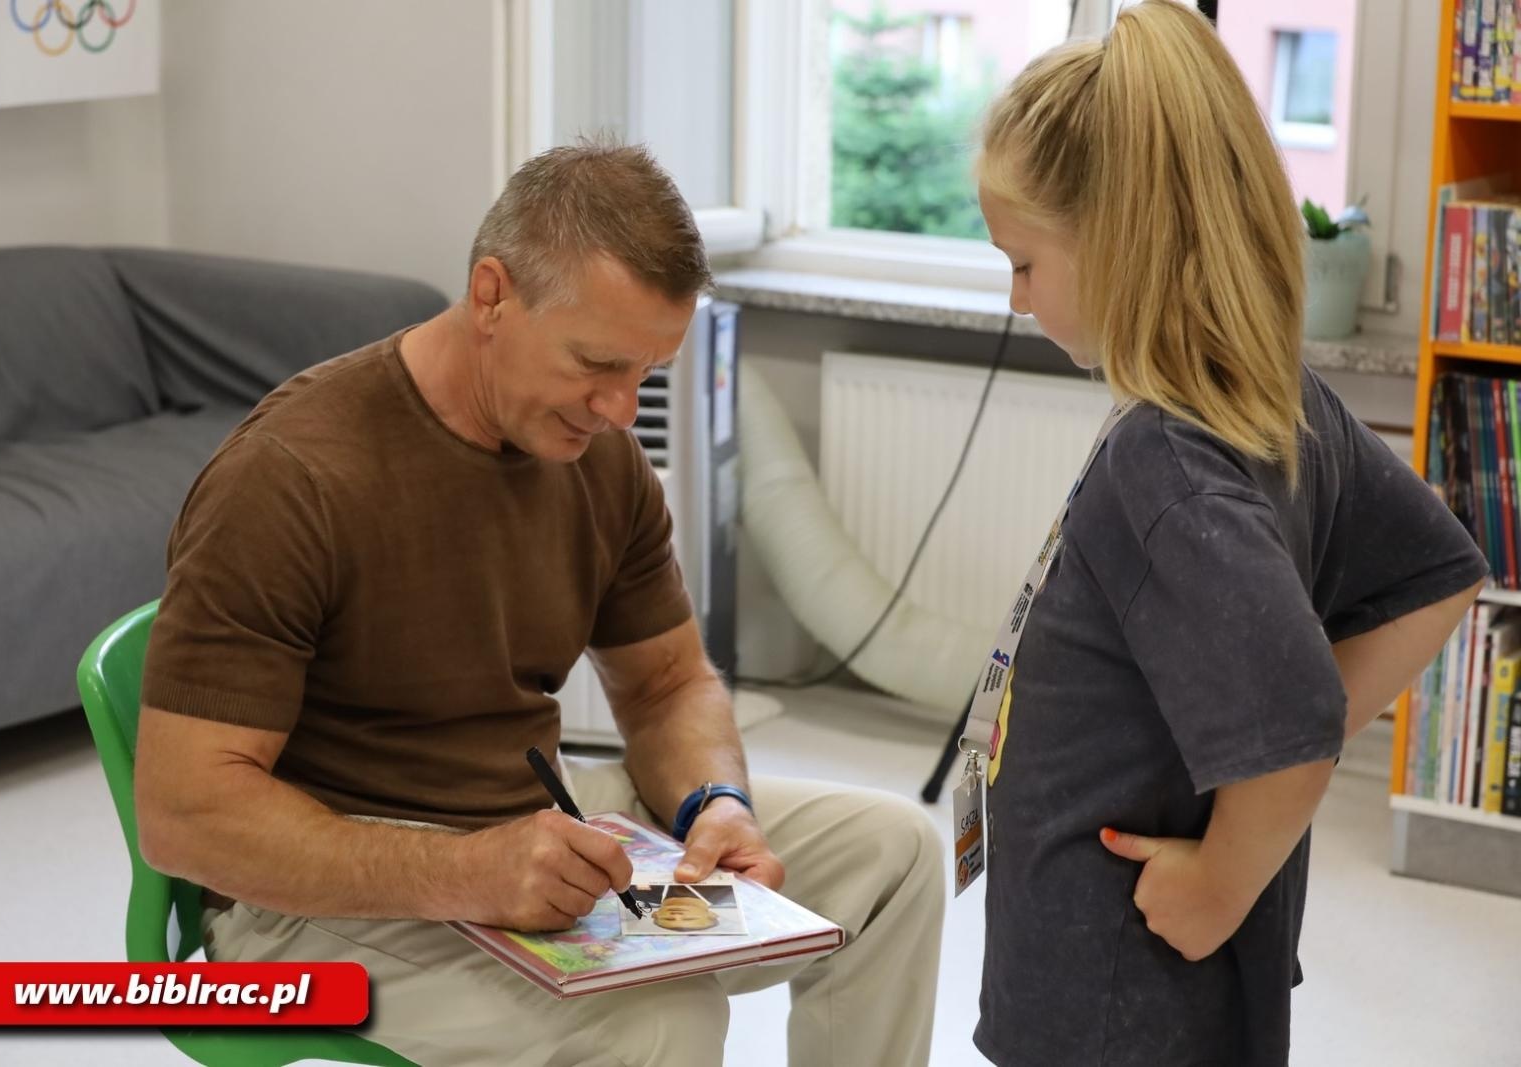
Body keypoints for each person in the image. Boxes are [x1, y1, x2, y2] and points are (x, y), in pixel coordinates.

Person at [133, 141, 945, 1067]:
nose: (617, 407)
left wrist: (713, 802)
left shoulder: (598, 458)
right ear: (491, 296)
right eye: (596, 362)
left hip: (530, 825)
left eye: (646, 371)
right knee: (660, 1025)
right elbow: (185, 813)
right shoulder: (290, 476)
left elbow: (668, 682)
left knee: (895, 854)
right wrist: (467, 871)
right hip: (311, 902)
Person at [966, 3, 1486, 1064]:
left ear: (1119, 244)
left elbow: (1293, 715)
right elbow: (1440, 575)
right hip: (1150, 980)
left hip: (1113, 993)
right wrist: (1256, 766)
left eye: (1025, 263)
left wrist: (1219, 879)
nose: (1015, 298)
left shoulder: (1163, 461)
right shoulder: (1274, 400)